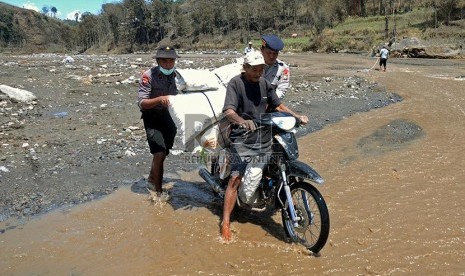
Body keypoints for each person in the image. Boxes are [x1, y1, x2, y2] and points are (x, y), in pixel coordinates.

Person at [220, 51, 308, 241]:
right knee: (235, 178)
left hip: (263, 132)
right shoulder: (236, 83)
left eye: (261, 69)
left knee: (279, 161)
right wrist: (241, 121)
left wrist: (296, 116)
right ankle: (225, 222)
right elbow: (228, 110)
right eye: (255, 69)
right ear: (245, 68)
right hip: (241, 135)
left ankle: (271, 191)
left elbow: (278, 104)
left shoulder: (264, 83)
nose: (259, 72)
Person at [137, 46, 180, 201]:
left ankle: (151, 177)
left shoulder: (178, 76)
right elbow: (142, 103)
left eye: (171, 61)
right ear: (158, 61)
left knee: (165, 151)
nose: (169, 64)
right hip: (152, 116)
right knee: (159, 152)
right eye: (165, 61)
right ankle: (159, 190)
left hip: (169, 116)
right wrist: (159, 99)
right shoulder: (148, 76)